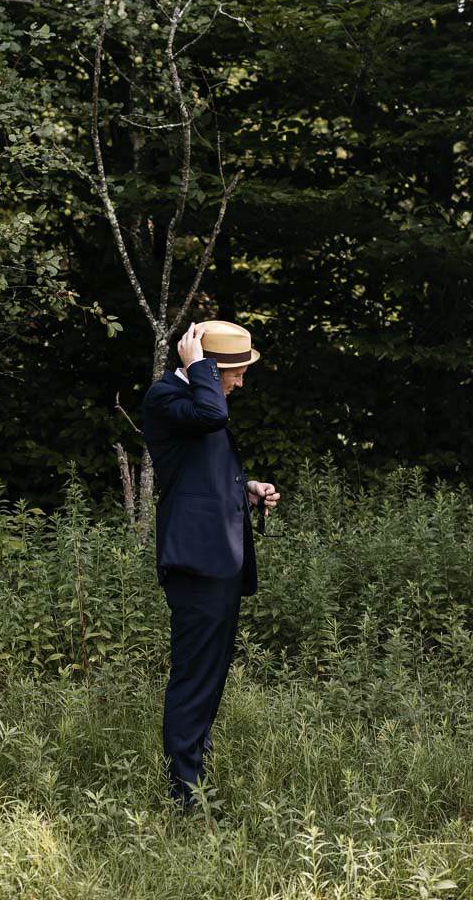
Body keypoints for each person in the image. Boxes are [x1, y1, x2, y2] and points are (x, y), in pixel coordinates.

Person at [141, 318, 280, 811]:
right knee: (194, 678)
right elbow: (211, 417)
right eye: (236, 372)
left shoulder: (202, 401)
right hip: (195, 565)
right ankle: (185, 797)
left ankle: (192, 773)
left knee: (210, 676)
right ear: (207, 366)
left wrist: (248, 490)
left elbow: (204, 471)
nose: (241, 382)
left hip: (220, 560)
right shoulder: (167, 398)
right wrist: (198, 364)